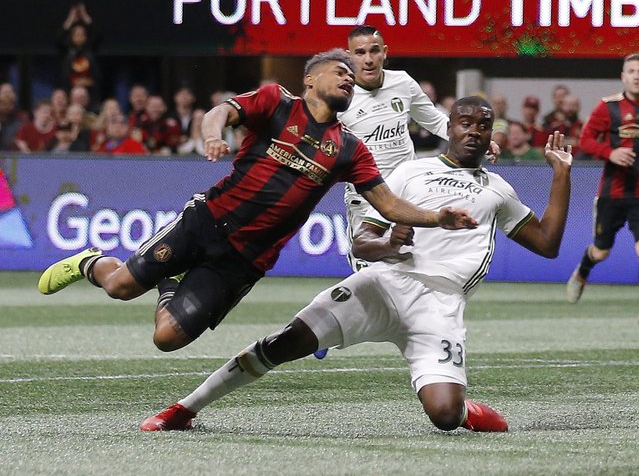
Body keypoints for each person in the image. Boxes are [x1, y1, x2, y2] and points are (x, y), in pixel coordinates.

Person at [139, 96, 573, 433]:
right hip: (380, 283)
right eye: (465, 123)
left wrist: (560, 174)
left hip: (440, 305)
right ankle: (184, 409)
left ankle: (463, 410)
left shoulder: (498, 189)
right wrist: (387, 243)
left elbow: (549, 244)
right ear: (449, 128)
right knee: (284, 343)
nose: (475, 131)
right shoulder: (408, 173)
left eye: (484, 125)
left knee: (443, 416)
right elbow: (362, 241)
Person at [38, 49, 477, 353]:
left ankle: (170, 281)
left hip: (245, 260)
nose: (348, 77)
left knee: (166, 338)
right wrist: (212, 135)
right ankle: (89, 261)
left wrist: (437, 217)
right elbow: (220, 113)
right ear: (310, 79)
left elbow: (388, 204)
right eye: (338, 70)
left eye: (351, 75)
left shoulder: (349, 148)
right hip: (207, 221)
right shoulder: (275, 102)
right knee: (119, 287)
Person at [565, 53, 639, 327]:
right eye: (631, 71)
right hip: (612, 193)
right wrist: (610, 152)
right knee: (602, 251)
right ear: (623, 77)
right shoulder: (608, 107)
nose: (636, 75)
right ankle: (583, 270)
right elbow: (586, 140)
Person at [337, 25, 451, 272]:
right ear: (349, 57)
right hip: (366, 199)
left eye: (374, 51)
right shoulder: (339, 96)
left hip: (405, 196)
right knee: (368, 278)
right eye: (360, 53)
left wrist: (481, 143)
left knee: (413, 276)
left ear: (385, 53)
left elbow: (435, 120)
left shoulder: (402, 82)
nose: (368, 59)